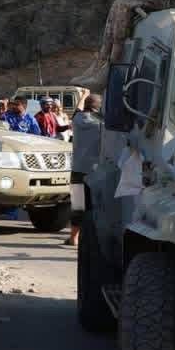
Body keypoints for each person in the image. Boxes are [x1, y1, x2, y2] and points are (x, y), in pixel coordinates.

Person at [68, 95, 103, 247]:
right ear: (98, 107)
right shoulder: (101, 123)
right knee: (94, 204)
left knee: (77, 204)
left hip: (77, 169)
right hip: (95, 170)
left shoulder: (77, 119)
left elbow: (77, 109)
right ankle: (92, 236)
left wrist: (83, 95)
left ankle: (73, 238)